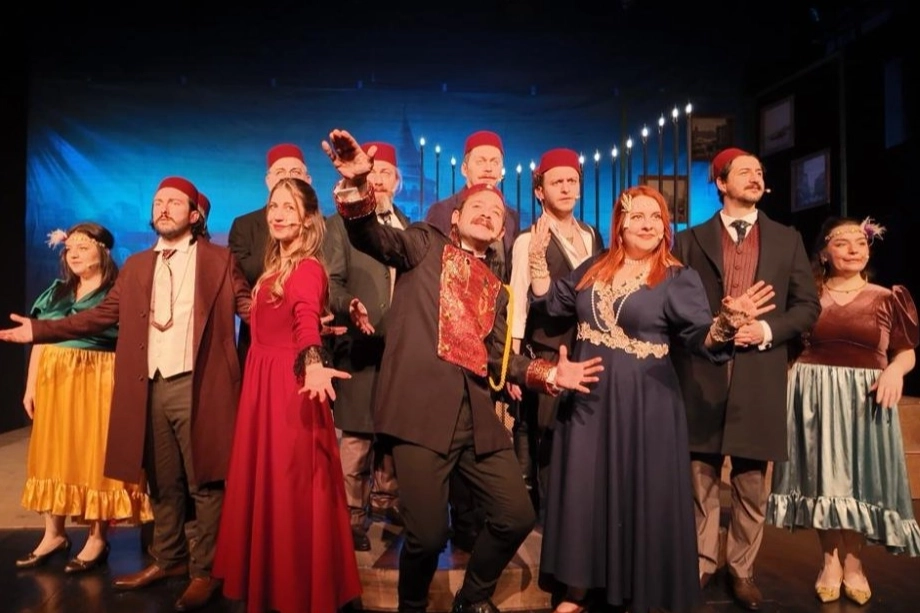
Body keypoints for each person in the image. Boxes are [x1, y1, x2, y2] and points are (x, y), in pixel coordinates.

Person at [320, 128, 604, 613]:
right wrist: (356, 186)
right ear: (455, 218)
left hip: (474, 418)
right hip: (419, 415)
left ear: (501, 232)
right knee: (428, 536)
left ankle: (471, 599)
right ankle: (412, 605)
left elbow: (499, 358)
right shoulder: (423, 244)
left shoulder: (496, 289)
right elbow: (372, 235)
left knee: (516, 515)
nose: (489, 213)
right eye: (478, 206)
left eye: (497, 212)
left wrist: (549, 375)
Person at [0, 176, 251, 612]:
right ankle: (168, 559)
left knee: (205, 482)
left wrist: (301, 322)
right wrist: (40, 330)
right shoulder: (136, 266)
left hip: (198, 384)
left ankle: (205, 570)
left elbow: (249, 307)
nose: (163, 207)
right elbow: (98, 316)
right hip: (150, 385)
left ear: (194, 215)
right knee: (162, 481)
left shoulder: (218, 259)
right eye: (158, 201)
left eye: (174, 202)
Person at [531, 185, 775, 613]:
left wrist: (726, 324)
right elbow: (552, 304)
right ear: (620, 224)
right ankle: (578, 589)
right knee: (585, 491)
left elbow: (701, 339)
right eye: (637, 216)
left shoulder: (677, 277)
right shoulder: (594, 267)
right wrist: (536, 260)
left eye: (656, 217)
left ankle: (636, 590)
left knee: (637, 493)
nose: (647, 224)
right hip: (588, 401)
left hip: (645, 405)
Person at [671, 147, 821, 610]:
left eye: (759, 172)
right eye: (744, 172)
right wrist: (716, 328)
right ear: (721, 182)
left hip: (759, 370)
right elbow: (675, 305)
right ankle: (700, 561)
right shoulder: (690, 240)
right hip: (703, 372)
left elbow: (807, 306)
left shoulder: (786, 239)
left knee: (752, 482)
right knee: (700, 477)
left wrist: (767, 330)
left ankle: (741, 568)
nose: (756, 178)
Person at [213, 177, 361, 613]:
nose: (277, 214)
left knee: (289, 491)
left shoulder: (307, 268)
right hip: (264, 386)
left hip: (285, 392)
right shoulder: (276, 267)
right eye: (273, 206)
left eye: (289, 208)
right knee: (271, 489)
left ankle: (295, 590)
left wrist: (313, 360)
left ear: (308, 218)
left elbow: (303, 319)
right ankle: (273, 583)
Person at [767, 215, 920, 605]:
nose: (854, 250)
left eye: (861, 243)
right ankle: (830, 562)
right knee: (824, 481)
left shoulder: (888, 298)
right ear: (823, 253)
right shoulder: (808, 298)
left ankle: (855, 564)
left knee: (860, 481)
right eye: (842, 243)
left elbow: (905, 352)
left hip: (866, 397)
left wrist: (895, 372)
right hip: (814, 396)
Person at [15, 222, 151, 573]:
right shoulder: (56, 292)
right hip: (56, 380)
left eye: (83, 247)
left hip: (99, 378)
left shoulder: (116, 292)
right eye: (69, 248)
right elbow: (41, 338)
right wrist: (31, 386)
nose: (73, 254)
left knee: (95, 454)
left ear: (102, 252)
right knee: (54, 452)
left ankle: (97, 537)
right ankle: (54, 534)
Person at [424, 129, 520, 551]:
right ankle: (458, 521)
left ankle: (481, 519)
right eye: (480, 160)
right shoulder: (442, 210)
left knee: (487, 433)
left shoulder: (510, 216)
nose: (488, 167)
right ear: (464, 167)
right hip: (450, 341)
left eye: (495, 161)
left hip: (491, 340)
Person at [507, 148, 603, 516]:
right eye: (556, 182)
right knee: (547, 433)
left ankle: (580, 510)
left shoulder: (591, 235)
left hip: (587, 346)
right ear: (539, 191)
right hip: (547, 348)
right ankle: (551, 516)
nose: (565, 188)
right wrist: (514, 363)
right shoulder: (528, 239)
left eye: (571, 181)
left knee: (583, 431)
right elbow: (518, 302)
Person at [324, 140, 409, 552]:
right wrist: (348, 306)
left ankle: (387, 500)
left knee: (392, 433)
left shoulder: (409, 227)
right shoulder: (340, 225)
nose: (379, 180)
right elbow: (331, 282)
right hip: (359, 346)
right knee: (356, 440)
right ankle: (352, 516)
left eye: (386, 173)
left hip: (400, 351)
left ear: (398, 181)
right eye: (372, 172)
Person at [229, 143, 311, 367]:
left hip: (312, 336)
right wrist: (282, 234)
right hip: (261, 342)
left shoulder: (323, 226)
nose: (288, 178)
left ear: (308, 180)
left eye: (295, 172)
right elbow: (240, 279)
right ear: (268, 181)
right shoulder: (245, 226)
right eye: (280, 172)